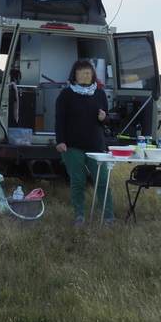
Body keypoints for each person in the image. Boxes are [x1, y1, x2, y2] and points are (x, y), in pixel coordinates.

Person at [55, 59, 116, 227]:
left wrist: (105, 118)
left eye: (87, 73)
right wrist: (60, 141)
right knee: (78, 181)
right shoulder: (66, 94)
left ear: (92, 75)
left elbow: (106, 118)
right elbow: (59, 119)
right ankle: (79, 216)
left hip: (96, 145)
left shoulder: (100, 94)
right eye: (80, 73)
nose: (84, 76)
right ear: (74, 75)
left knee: (102, 180)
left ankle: (109, 216)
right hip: (72, 145)